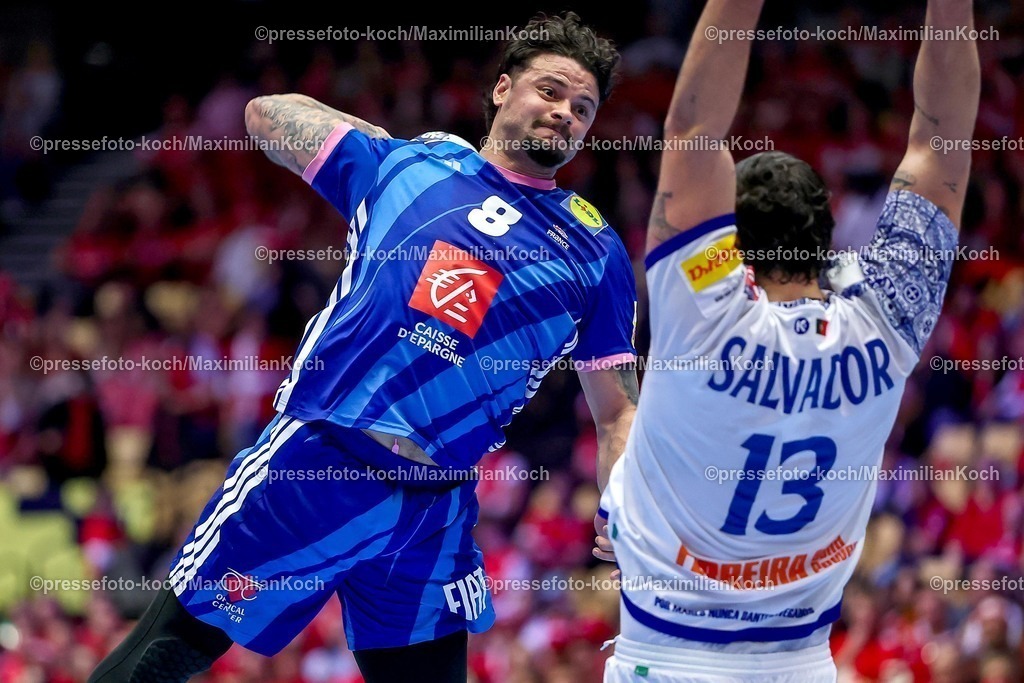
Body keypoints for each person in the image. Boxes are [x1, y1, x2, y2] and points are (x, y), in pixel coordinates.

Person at [89, 12, 639, 683]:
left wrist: (621, 504)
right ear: (501, 89)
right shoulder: (405, 167)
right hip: (320, 462)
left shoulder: (595, 251)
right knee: (163, 654)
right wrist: (385, 144)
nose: (565, 113)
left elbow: (616, 412)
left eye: (582, 107)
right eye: (550, 91)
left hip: (434, 508)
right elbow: (265, 114)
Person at [599, 0, 980, 680]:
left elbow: (693, 128)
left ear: (733, 249)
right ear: (828, 241)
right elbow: (940, 137)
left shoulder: (702, 316)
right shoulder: (888, 317)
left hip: (665, 654)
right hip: (799, 659)